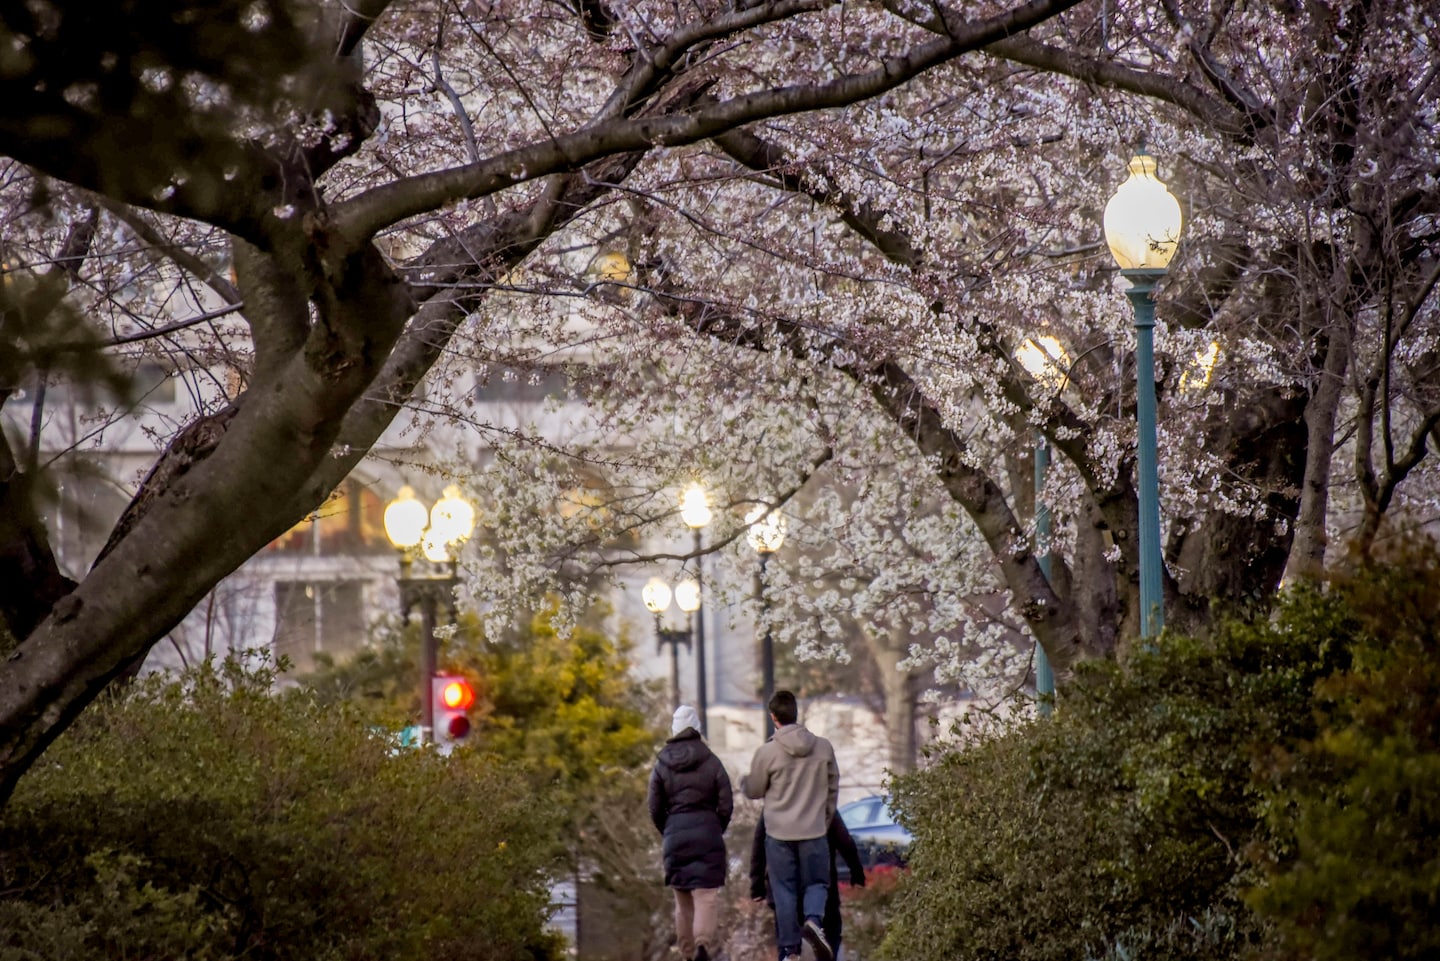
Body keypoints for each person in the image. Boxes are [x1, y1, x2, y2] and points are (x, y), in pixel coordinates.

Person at [741, 690, 840, 961]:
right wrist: (824, 819)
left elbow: (755, 789)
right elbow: (832, 789)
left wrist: (744, 782)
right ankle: (812, 920)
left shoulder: (767, 752)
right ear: (796, 712)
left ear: (773, 717)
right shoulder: (823, 748)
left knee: (783, 889)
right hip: (814, 830)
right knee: (817, 883)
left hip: (778, 832)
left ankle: (790, 951)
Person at [648, 705, 733, 961]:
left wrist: (669, 829)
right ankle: (702, 946)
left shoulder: (661, 763)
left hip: (675, 835)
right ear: (697, 728)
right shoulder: (711, 760)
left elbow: (654, 805)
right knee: (706, 896)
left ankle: (686, 953)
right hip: (708, 834)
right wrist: (715, 827)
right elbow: (726, 802)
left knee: (682, 900)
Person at [750, 810, 866, 961]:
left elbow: (759, 844)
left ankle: (789, 954)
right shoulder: (819, 801)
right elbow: (845, 841)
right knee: (830, 936)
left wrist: (757, 885)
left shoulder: (775, 803)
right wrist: (857, 873)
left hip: (786, 895)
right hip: (822, 893)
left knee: (787, 939)